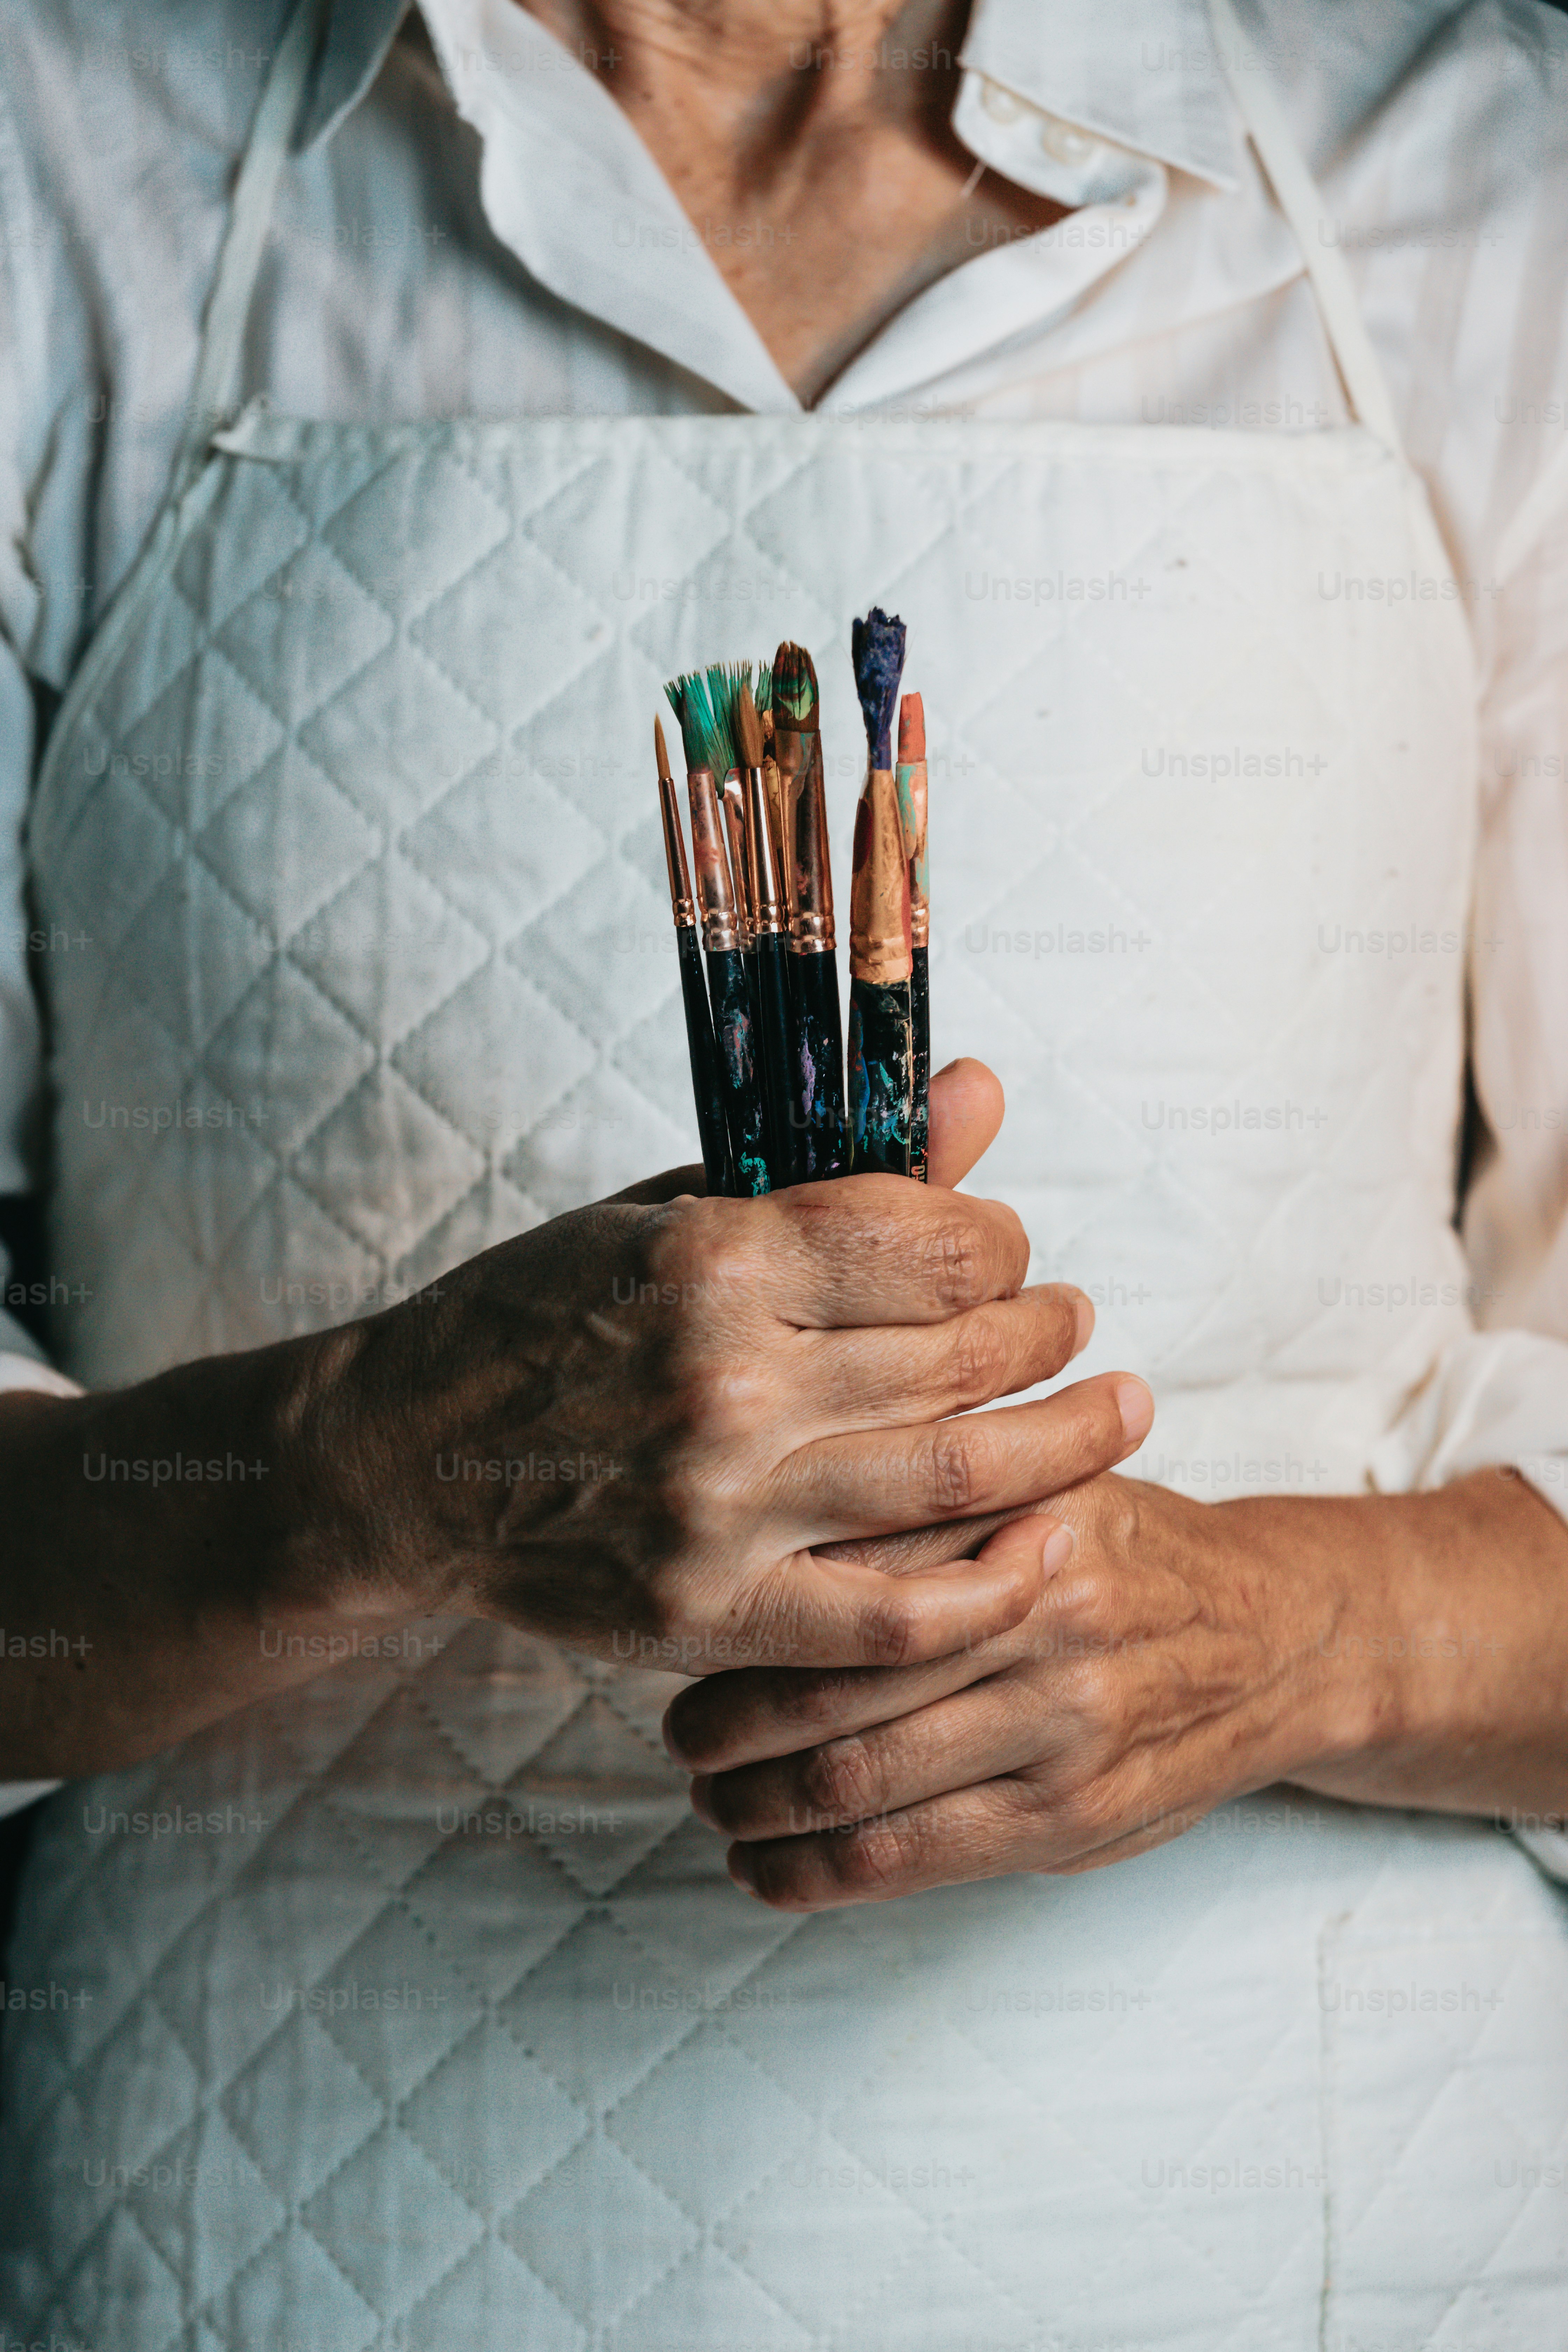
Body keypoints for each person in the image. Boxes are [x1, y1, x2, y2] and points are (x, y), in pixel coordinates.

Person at [2, 0, 1568, 2341]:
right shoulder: (54, 167)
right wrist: (358, 1468)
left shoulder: (1487, 165)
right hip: (280, 2236)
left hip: (1322, 2240)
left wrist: (1294, 1636)